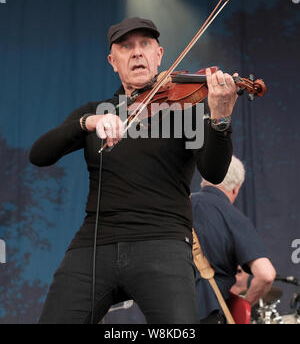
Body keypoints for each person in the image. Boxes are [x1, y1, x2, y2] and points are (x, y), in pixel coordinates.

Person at [30, 17, 239, 324]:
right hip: (95, 245)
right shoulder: (99, 111)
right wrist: (88, 123)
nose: (137, 53)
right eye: (126, 47)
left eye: (145, 45)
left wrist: (220, 118)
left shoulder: (186, 110)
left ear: (159, 55)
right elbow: (39, 155)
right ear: (113, 61)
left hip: (163, 243)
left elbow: (215, 171)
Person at [191, 155, 276, 324]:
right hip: (209, 313)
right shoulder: (232, 217)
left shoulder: (179, 206)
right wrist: (245, 305)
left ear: (204, 181)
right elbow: (266, 274)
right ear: (235, 189)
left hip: (169, 311)